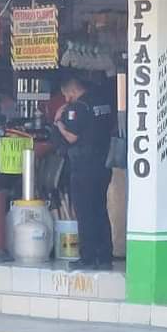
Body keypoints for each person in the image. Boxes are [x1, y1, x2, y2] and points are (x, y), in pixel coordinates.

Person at [54, 77, 114, 271]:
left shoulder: (79, 107)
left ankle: (87, 256)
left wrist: (58, 122)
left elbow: (71, 137)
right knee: (100, 209)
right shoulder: (102, 102)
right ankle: (104, 256)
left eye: (66, 95)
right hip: (103, 164)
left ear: (72, 91)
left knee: (85, 212)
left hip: (84, 166)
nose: (66, 99)